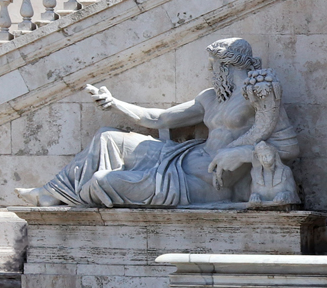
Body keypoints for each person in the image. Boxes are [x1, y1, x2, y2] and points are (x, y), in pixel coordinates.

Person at [15, 37, 297, 208]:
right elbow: (160, 118)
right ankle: (52, 194)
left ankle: (77, 193)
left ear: (223, 65)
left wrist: (241, 153)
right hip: (183, 156)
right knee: (106, 137)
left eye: (212, 64)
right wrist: (115, 103)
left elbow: (290, 148)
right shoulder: (211, 97)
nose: (208, 70)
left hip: (203, 182)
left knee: (103, 181)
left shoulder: (260, 96)